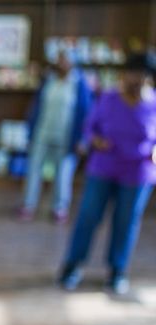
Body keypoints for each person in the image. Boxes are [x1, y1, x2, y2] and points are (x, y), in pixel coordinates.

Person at [59, 51, 156, 295]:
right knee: (89, 216)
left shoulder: (153, 103)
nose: (136, 80)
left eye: (142, 76)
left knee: (126, 221)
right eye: (133, 74)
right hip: (104, 167)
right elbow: (90, 126)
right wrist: (95, 140)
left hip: (138, 172)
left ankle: (117, 270)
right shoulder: (110, 98)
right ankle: (73, 265)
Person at [18, 51, 92, 223]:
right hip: (42, 133)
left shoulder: (79, 84)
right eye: (59, 60)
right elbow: (36, 107)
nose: (61, 63)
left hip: (67, 138)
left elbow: (86, 113)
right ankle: (28, 205)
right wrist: (30, 131)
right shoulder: (48, 80)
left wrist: (82, 139)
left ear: (73, 63)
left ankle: (59, 208)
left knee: (63, 174)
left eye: (65, 60)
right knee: (33, 170)